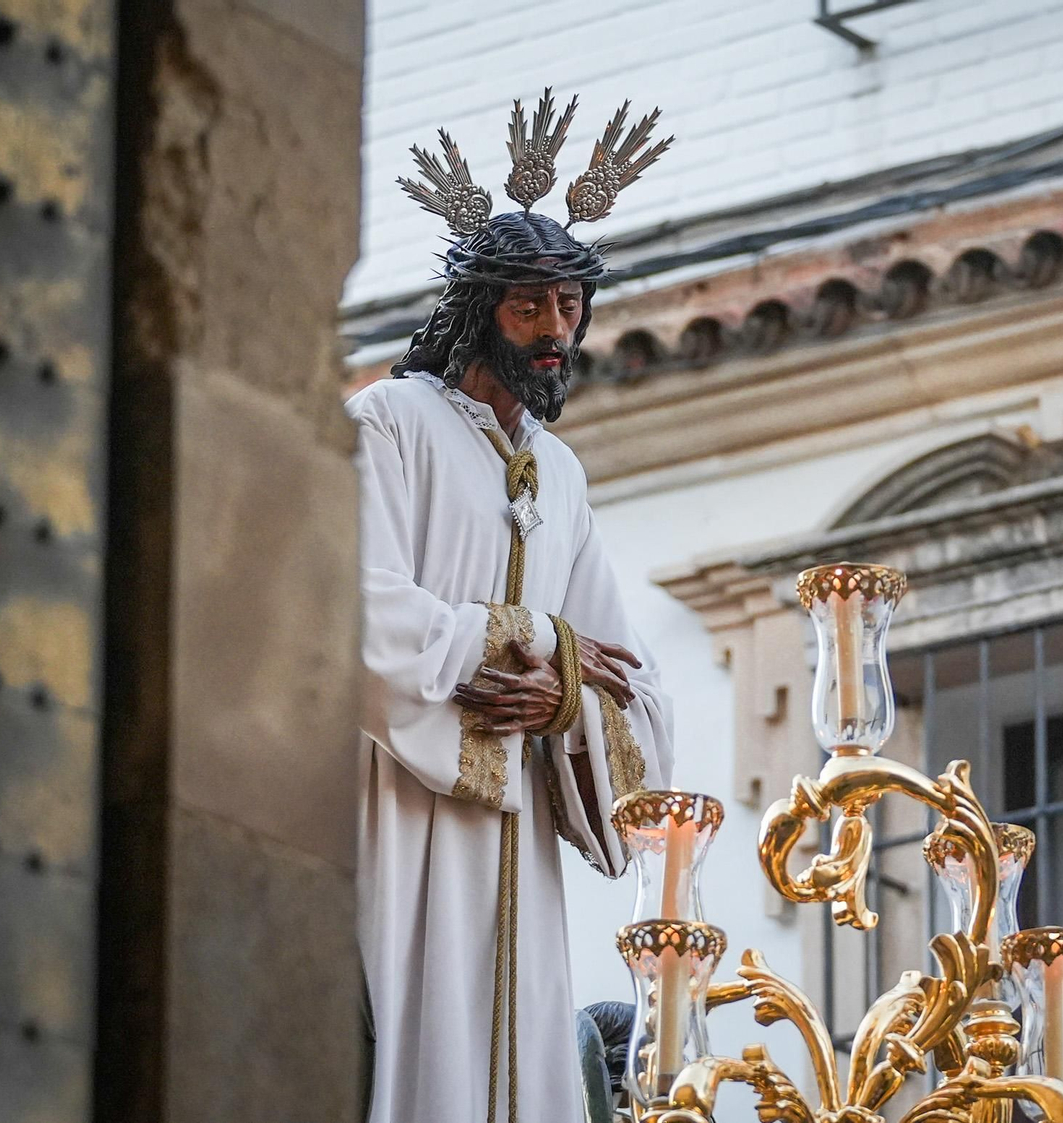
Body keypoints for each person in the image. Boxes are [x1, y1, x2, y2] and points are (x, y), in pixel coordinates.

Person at [348, 91, 675, 1123]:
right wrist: (532, 640)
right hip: (400, 796)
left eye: (568, 309)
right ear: (480, 308)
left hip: (515, 840)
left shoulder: (560, 475)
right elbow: (351, 605)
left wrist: (567, 696)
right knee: (408, 1036)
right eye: (529, 308)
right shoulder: (387, 423)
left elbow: (625, 674)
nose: (554, 333)